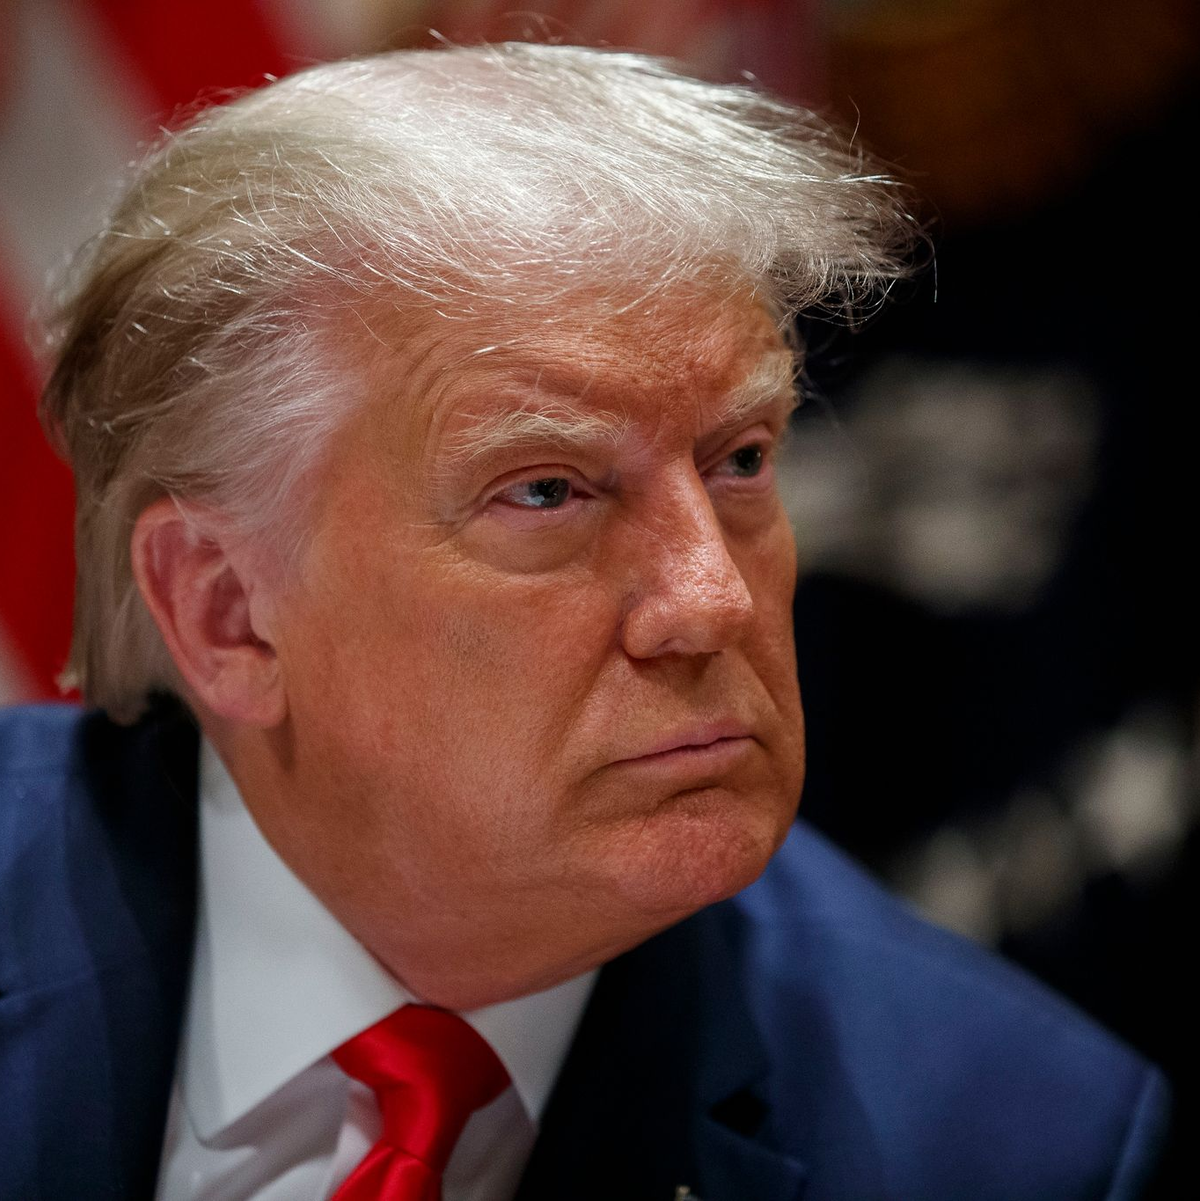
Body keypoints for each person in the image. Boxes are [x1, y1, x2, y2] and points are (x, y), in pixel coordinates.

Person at [0, 42, 1169, 1200]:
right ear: (227, 614)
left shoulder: (1016, 1146)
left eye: (742, 460)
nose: (713, 599)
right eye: (548, 490)